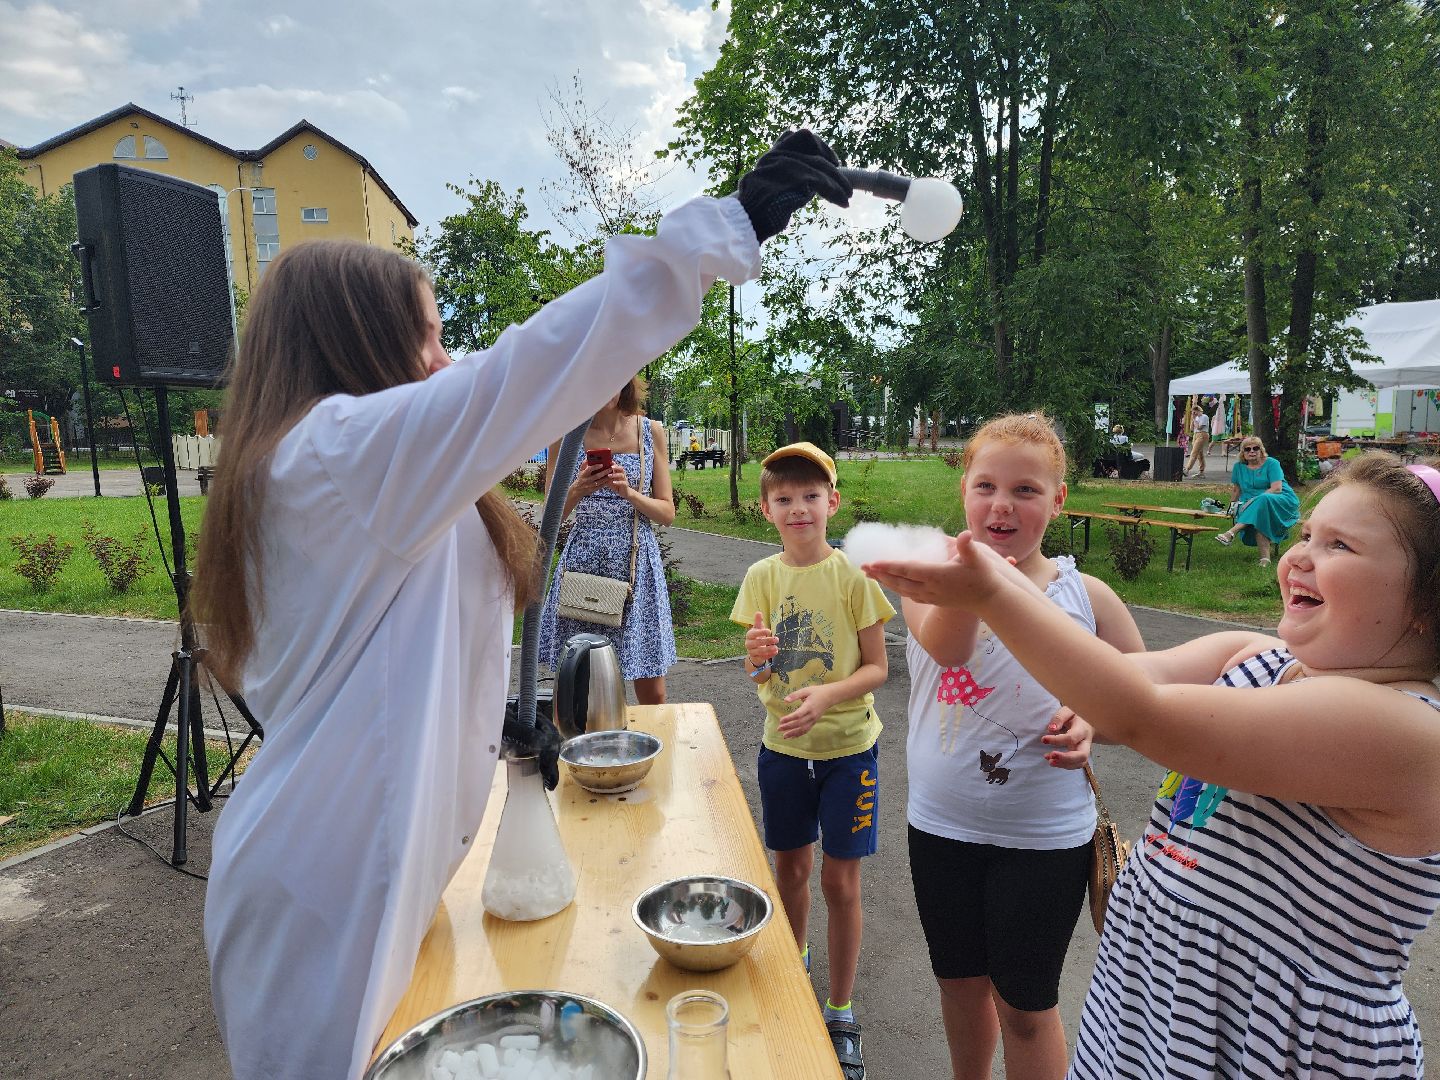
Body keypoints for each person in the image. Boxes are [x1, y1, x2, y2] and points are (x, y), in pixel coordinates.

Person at [189, 129, 852, 1080]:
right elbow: (524, 371)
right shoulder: (339, 457)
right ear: (360, 340)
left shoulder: (347, 468)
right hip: (326, 893)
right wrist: (723, 232)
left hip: (363, 864)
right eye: (430, 334)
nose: (446, 358)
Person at [863, 453, 1440, 1079]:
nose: (1299, 556)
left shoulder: (1406, 730)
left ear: (1426, 601)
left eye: (1340, 546)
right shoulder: (1257, 657)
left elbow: (1143, 712)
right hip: (1153, 1012)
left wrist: (994, 591)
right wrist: (1087, 710)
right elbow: (1119, 687)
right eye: (1306, 535)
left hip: (1265, 1042)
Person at [902, 413, 1143, 1080]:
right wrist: (975, 578)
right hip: (942, 827)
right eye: (986, 486)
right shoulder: (928, 580)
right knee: (959, 986)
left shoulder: (1085, 596)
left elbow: (1144, 702)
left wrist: (1093, 717)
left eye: (1026, 490)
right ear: (964, 493)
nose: (1001, 505)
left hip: (1044, 838)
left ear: (1059, 499)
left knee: (1028, 1009)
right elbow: (947, 646)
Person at [731, 442, 895, 1080]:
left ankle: (841, 1009)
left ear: (833, 501)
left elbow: (878, 667)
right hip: (783, 751)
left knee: (840, 882)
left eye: (809, 496)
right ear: (767, 509)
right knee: (791, 872)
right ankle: (795, 972)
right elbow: (759, 674)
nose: (798, 508)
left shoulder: (854, 577)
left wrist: (828, 693)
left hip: (848, 753)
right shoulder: (760, 579)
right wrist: (758, 656)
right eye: (783, 499)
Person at [537, 376, 676, 704]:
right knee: (584, 689)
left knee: (652, 691)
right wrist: (578, 489)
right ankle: (590, 752)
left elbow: (667, 513)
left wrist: (629, 493)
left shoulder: (649, 431)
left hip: (635, 564)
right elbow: (549, 518)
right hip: (583, 563)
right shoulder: (566, 436)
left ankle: (647, 753)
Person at [1214, 436, 1299, 567]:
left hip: (1281, 499)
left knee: (1263, 500)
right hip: (1255, 503)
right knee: (1260, 515)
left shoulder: (1272, 463)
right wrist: (1231, 509)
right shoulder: (1238, 467)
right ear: (1243, 452)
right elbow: (1237, 490)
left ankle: (1231, 532)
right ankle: (1265, 560)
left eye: (1255, 448)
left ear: (1261, 450)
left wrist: (1255, 500)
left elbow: (1276, 488)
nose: (1252, 451)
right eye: (1247, 449)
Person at [1184, 405, 1211, 477]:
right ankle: (1201, 471)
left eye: (1195, 412)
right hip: (1195, 435)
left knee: (1194, 452)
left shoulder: (1204, 417)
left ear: (1199, 411)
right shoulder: (1196, 418)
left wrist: (1194, 420)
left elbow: (1199, 427)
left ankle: (1187, 469)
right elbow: (1192, 429)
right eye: (1193, 412)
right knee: (1199, 454)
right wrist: (1193, 419)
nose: (1194, 414)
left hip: (1202, 434)